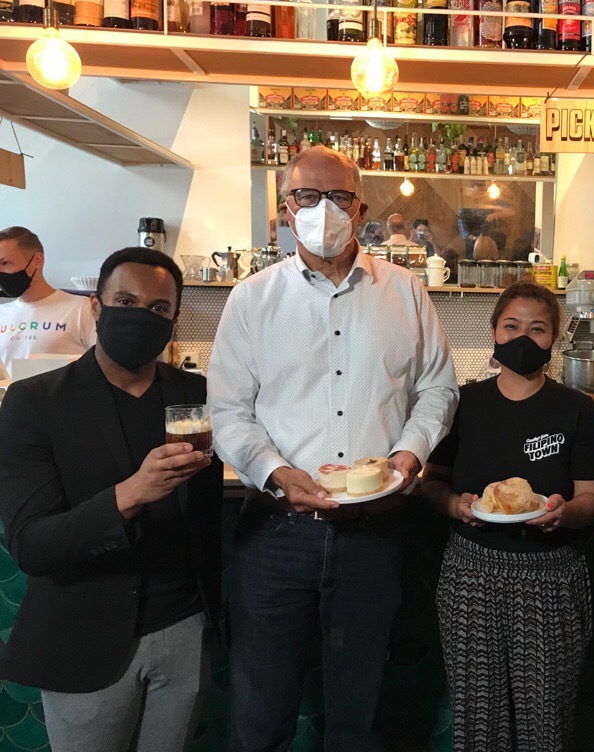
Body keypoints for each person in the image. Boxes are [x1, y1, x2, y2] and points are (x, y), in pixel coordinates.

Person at [207, 145, 458, 752]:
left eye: (338, 196)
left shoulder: (406, 293)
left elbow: (437, 388)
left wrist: (407, 455)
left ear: (362, 208)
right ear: (285, 210)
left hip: (375, 532)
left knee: (361, 708)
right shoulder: (251, 300)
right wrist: (275, 471)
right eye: (306, 197)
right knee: (260, 707)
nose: (323, 209)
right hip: (274, 533)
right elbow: (227, 413)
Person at [0, 247, 223, 752]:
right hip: (84, 639)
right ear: (96, 307)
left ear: (173, 321)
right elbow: (32, 545)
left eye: (158, 309)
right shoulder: (35, 402)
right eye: (125, 300)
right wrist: (129, 495)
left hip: (183, 630)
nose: (140, 316)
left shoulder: (195, 395)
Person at [422, 282, 594, 751]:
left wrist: (563, 515)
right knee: (477, 721)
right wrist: (453, 504)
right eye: (512, 326)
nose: (523, 338)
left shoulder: (577, 409)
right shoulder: (462, 403)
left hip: (552, 581)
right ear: (494, 332)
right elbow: (431, 482)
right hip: (470, 578)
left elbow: (590, 499)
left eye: (538, 329)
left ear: (555, 340)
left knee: (547, 724)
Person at [0, 226, 96, 380]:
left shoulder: (82, 309)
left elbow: (106, 369)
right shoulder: (2, 314)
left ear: (37, 261)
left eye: (6, 263)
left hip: (63, 401)